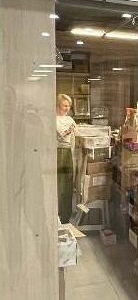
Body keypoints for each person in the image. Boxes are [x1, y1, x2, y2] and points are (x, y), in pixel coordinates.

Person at [56, 94, 76, 223]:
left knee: (68, 184)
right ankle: (59, 215)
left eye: (69, 106)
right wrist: (70, 130)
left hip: (70, 152)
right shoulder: (54, 119)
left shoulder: (69, 119)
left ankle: (66, 216)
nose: (67, 108)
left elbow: (76, 132)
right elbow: (61, 135)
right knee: (60, 185)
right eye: (65, 106)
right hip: (60, 152)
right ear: (58, 106)